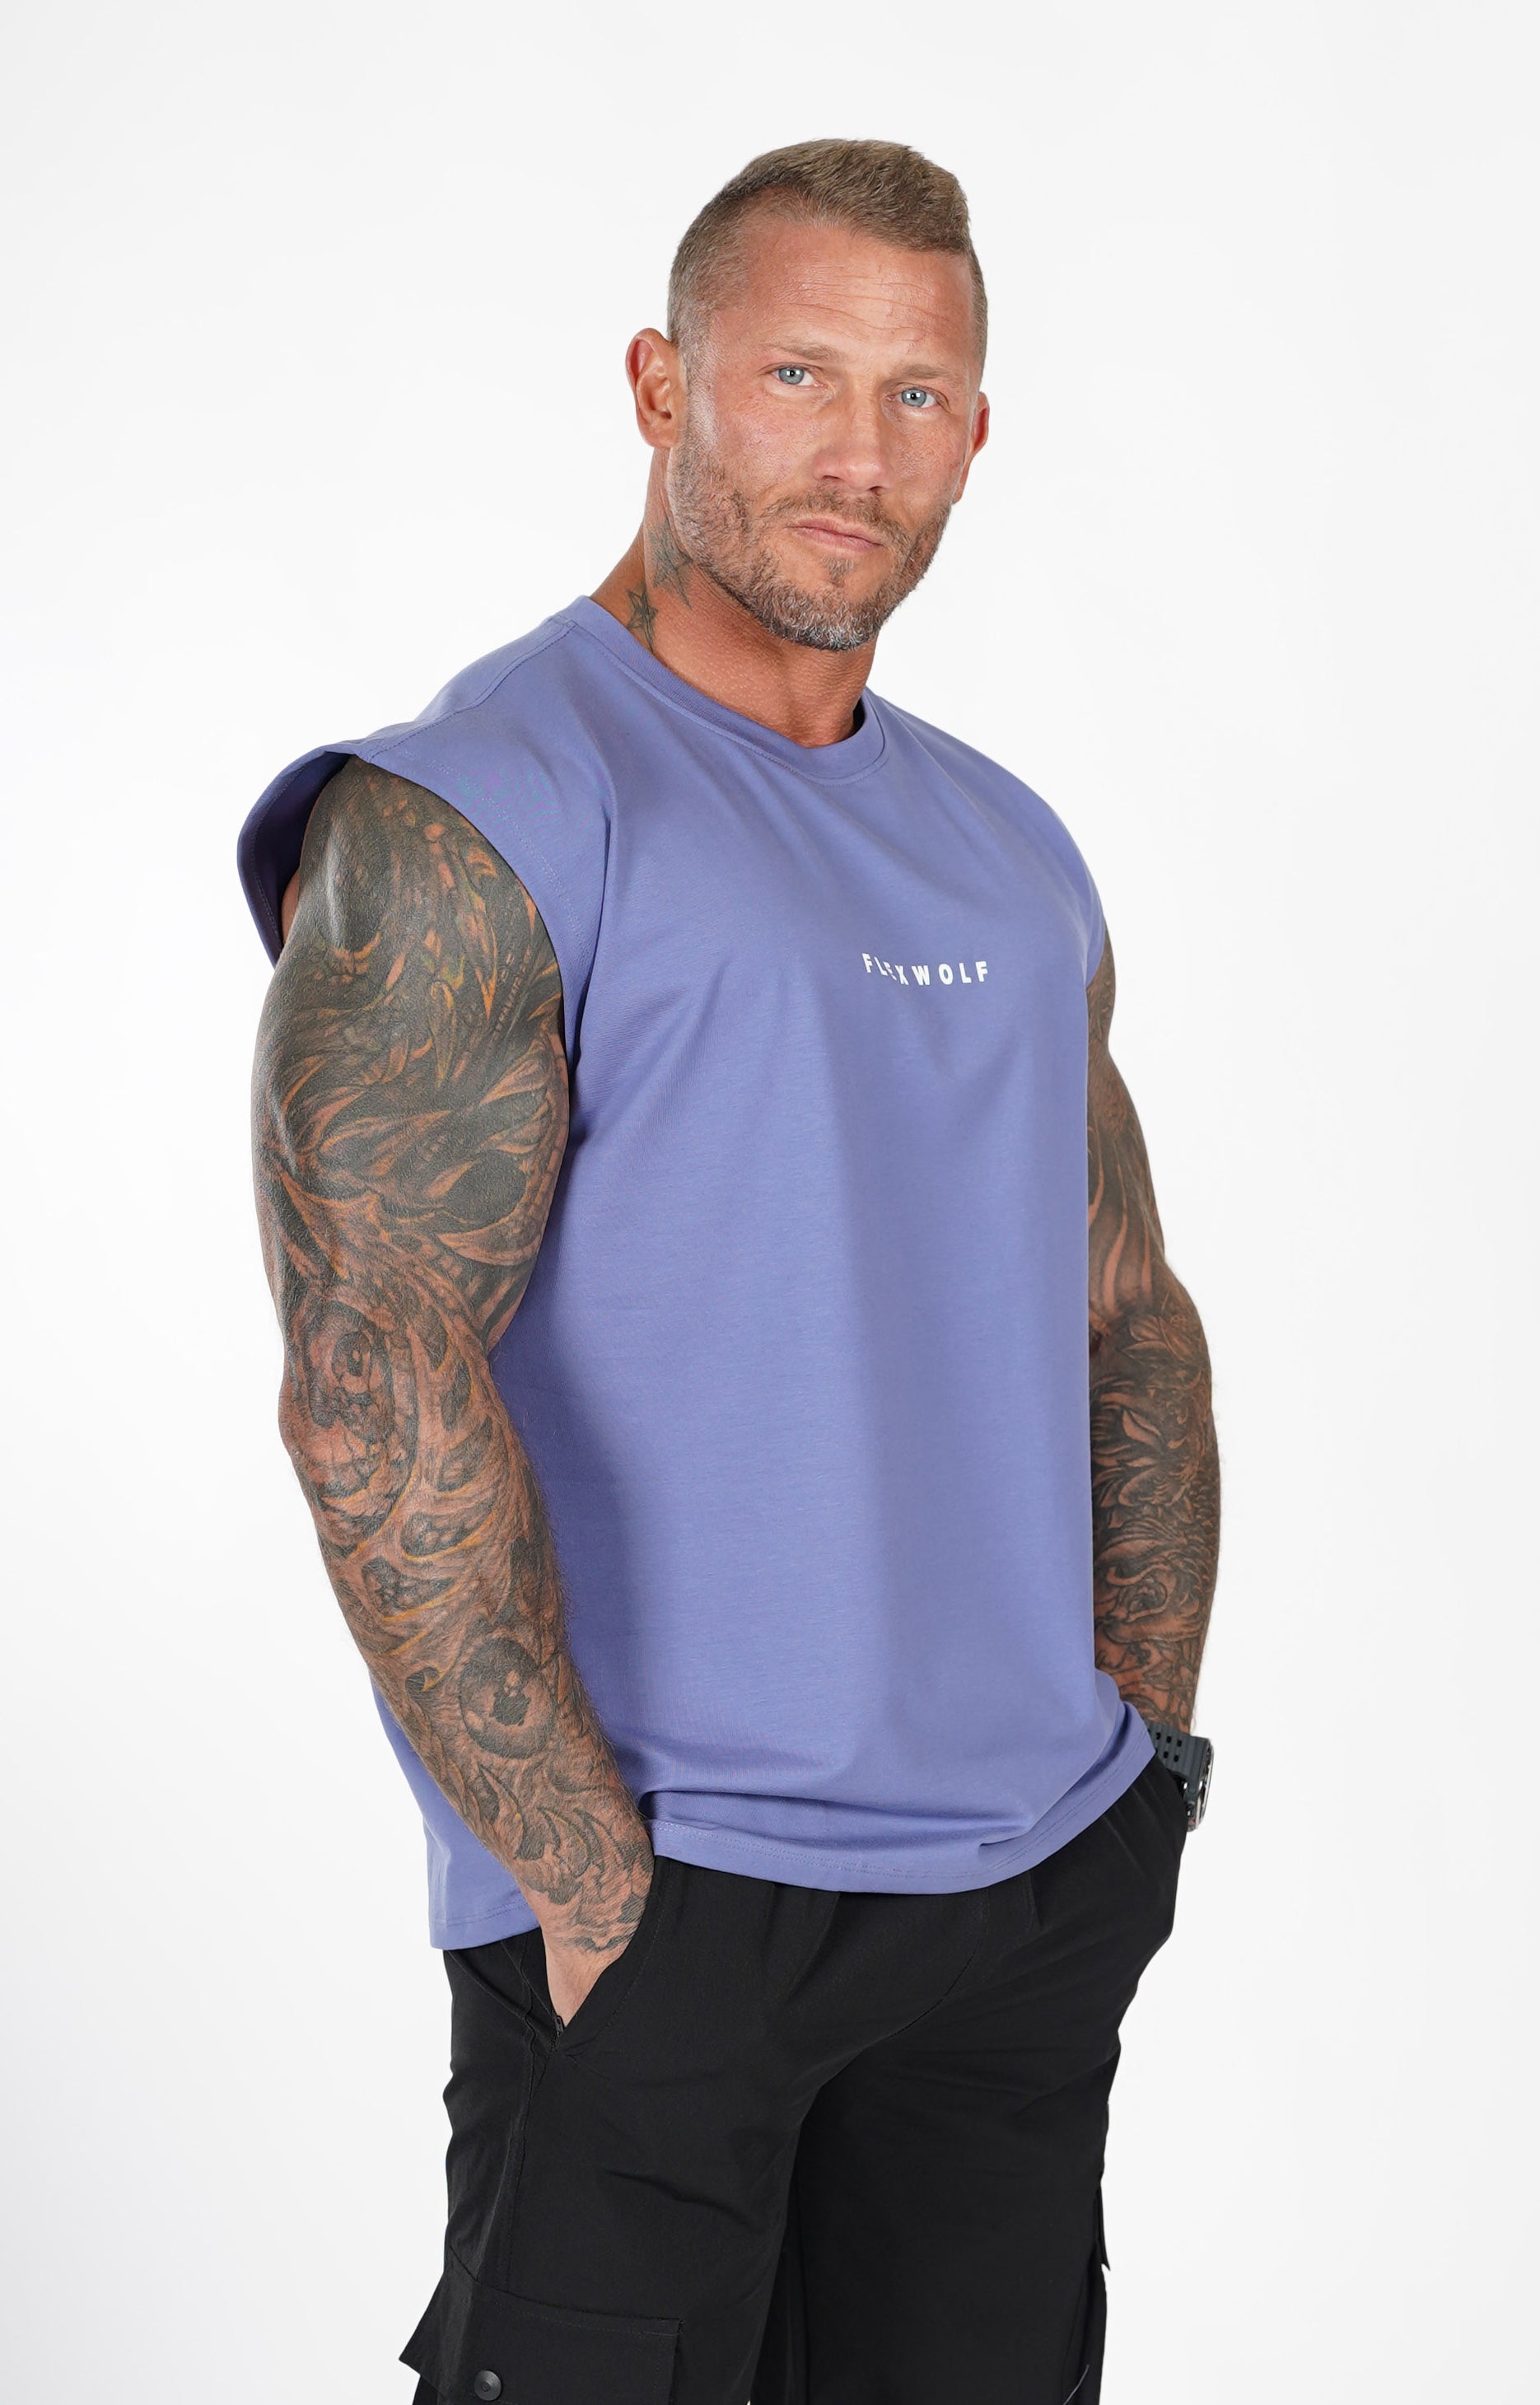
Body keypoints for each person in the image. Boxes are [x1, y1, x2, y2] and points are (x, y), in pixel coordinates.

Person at [240, 137, 1220, 2405]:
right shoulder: (478, 808)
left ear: (974, 432)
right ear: (660, 384)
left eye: (915, 394)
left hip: (1023, 1901)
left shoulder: (1008, 845)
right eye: (796, 375)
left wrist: (1139, 1779)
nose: (857, 452)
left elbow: (1124, 1316)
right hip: (674, 1900)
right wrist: (589, 1892)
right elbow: (374, 1367)